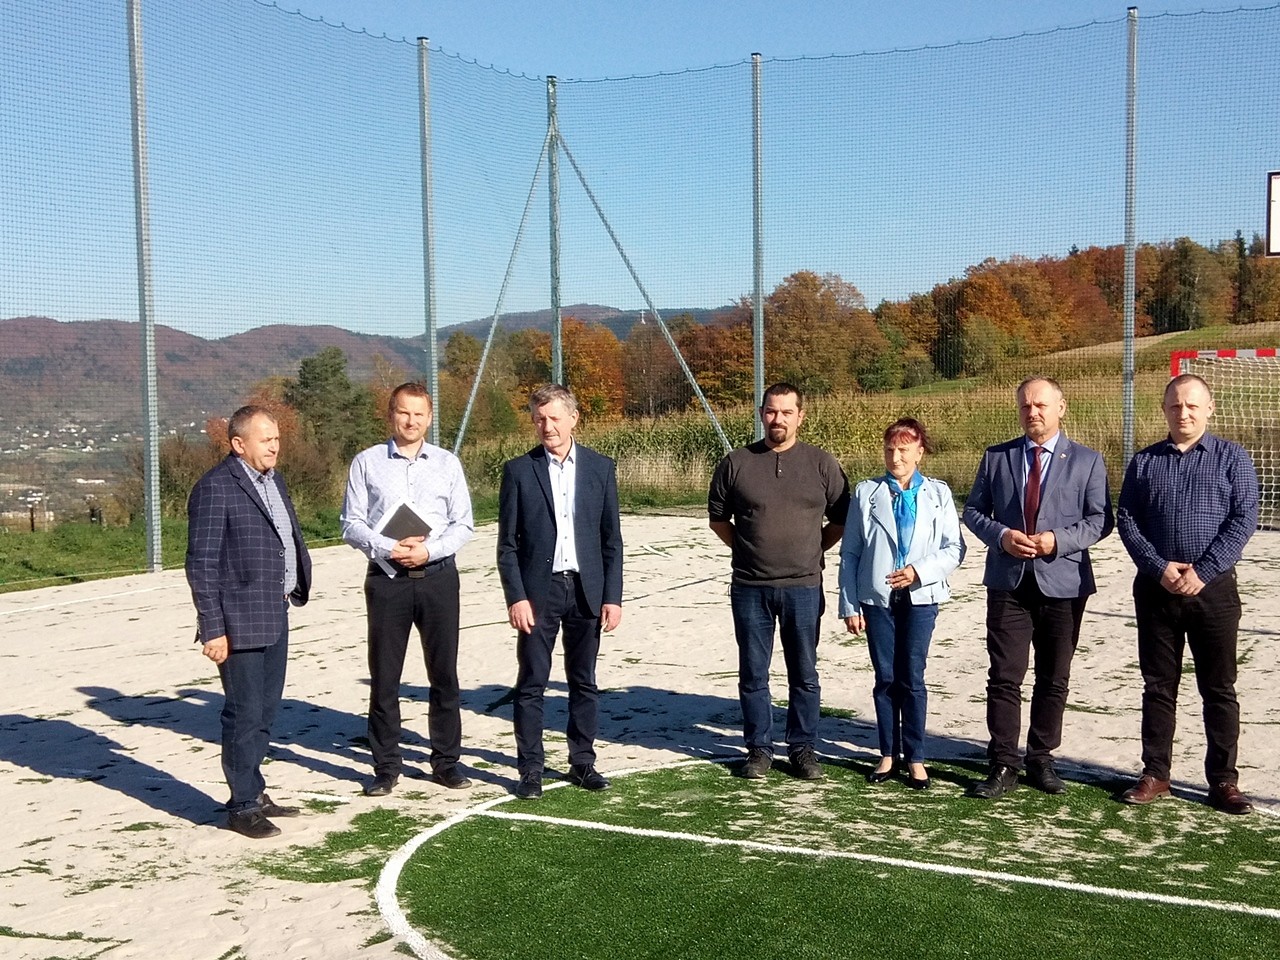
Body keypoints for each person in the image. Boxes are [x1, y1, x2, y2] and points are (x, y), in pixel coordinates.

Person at [962, 376, 1113, 799]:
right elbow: (973, 511)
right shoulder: (997, 457)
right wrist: (1001, 536)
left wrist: (1056, 541)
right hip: (1008, 582)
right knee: (1004, 676)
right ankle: (1003, 763)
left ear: (1060, 408)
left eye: (1041, 405)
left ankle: (1041, 759)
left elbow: (1101, 520)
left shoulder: (1087, 460)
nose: (1033, 412)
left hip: (1064, 583)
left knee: (1053, 676)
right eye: (1026, 406)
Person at [1116, 374, 1259, 815]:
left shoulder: (1232, 458)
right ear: (1164, 409)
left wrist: (1204, 570)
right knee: (1158, 686)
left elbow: (1244, 518)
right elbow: (1127, 519)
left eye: (1193, 405)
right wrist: (1158, 567)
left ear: (1209, 408)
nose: (1184, 413)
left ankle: (1223, 781)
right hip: (1156, 590)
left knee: (1219, 688)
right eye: (1176, 405)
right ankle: (1156, 773)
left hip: (1213, 591)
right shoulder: (1144, 462)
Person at [708, 382, 850, 781]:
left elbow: (841, 519)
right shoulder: (736, 463)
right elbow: (718, 519)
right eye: (771, 411)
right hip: (750, 587)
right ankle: (759, 749)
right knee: (754, 673)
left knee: (804, 673)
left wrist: (813, 550)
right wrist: (747, 549)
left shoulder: (822, 463)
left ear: (800, 416)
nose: (778, 419)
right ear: (761, 413)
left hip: (803, 586)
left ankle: (803, 748)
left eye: (787, 412)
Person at [341, 382, 474, 797]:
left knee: (444, 674)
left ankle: (446, 762)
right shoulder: (366, 462)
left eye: (419, 414)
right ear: (390, 415)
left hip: (438, 578)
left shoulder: (448, 464)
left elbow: (463, 524)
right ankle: (386, 767)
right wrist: (388, 547)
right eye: (403, 412)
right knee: (385, 676)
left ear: (430, 418)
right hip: (387, 580)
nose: (411, 421)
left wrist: (429, 551)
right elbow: (351, 523)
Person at [186, 405, 312, 839]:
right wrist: (213, 627)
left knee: (265, 711)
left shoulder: (274, 480)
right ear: (239, 444)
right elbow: (201, 564)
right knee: (244, 713)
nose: (274, 446)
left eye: (276, 438)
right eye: (265, 439)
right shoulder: (215, 488)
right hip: (238, 620)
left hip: (275, 610)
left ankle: (254, 791)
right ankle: (241, 807)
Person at [497, 384, 624, 801]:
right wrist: (516, 597)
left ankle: (582, 762)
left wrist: (612, 596)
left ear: (573, 419)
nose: (546, 426)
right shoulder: (519, 471)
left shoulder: (600, 468)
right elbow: (507, 545)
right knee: (532, 682)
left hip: (587, 591)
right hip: (539, 593)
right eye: (539, 418)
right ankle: (530, 769)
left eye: (554, 418)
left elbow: (611, 541)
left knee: (583, 681)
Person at [839, 418, 965, 789]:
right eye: (890, 449)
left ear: (919, 452)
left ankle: (916, 757)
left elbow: (954, 548)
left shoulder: (938, 494)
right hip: (877, 599)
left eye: (904, 450)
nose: (896, 457)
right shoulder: (867, 492)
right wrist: (849, 604)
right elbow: (851, 552)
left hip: (921, 597)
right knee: (885, 678)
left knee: (912, 677)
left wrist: (918, 571)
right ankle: (887, 754)